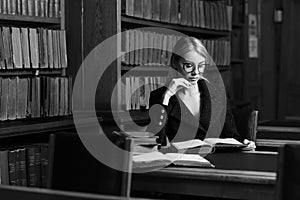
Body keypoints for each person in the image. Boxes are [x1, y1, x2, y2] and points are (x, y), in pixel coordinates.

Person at [146, 37, 256, 150]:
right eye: (189, 66)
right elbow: (157, 140)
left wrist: (244, 143)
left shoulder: (217, 95)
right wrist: (167, 96)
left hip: (217, 160)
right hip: (182, 162)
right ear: (175, 63)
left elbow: (231, 136)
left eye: (201, 66)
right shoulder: (159, 97)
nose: (196, 73)